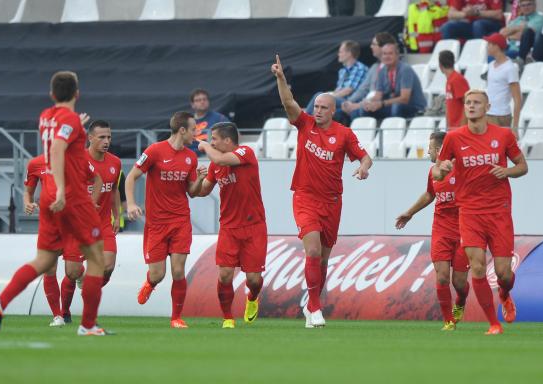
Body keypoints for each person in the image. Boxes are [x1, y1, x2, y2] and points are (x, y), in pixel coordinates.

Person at [0, 71, 108, 336]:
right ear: (78, 93)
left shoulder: (45, 116)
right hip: (71, 197)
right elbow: (57, 149)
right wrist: (64, 189)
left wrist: (76, 124)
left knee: (43, 260)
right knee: (97, 260)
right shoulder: (71, 120)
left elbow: (60, 136)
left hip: (48, 198)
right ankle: (88, 325)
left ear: (52, 95)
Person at [271, 54, 373, 328]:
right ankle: (315, 307)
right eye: (315, 106)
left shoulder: (344, 134)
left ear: (333, 111)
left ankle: (311, 301)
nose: (317, 110)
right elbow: (287, 102)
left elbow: (365, 157)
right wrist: (281, 78)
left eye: (323, 107)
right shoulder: (304, 124)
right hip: (305, 197)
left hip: (332, 202)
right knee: (313, 251)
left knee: (324, 258)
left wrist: (364, 168)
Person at [433, 89, 528, 335]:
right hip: (470, 212)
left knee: (503, 274)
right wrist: (441, 169)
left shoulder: (503, 135)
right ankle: (493, 324)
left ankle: (505, 295)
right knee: (476, 267)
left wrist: (506, 171)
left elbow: (522, 166)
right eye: (467, 102)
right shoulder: (454, 139)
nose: (471, 106)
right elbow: (437, 173)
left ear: (487, 107)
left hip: (499, 212)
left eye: (476, 102)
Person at [125, 111, 207, 329]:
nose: (195, 133)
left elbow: (192, 192)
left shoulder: (191, 157)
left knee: (178, 271)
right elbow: (131, 176)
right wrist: (131, 204)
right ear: (182, 130)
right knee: (158, 273)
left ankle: (176, 318)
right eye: (193, 129)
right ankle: (150, 282)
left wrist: (199, 179)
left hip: (180, 220)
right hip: (157, 223)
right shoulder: (155, 151)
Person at [396, 132, 470, 331]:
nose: (427, 151)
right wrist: (409, 213)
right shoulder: (432, 172)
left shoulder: (462, 169)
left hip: (465, 230)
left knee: (460, 282)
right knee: (443, 277)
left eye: (429, 147)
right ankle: (448, 322)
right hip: (441, 229)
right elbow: (430, 194)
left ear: (439, 150)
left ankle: (460, 303)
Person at [196, 122, 267, 329]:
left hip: (254, 227)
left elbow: (217, 156)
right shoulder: (215, 164)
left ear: (227, 140)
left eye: (214, 139)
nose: (211, 143)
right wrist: (198, 179)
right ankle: (227, 317)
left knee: (253, 279)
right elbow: (203, 192)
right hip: (228, 227)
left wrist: (204, 147)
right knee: (225, 275)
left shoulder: (246, 152)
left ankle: (252, 298)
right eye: (210, 140)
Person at [23, 153, 102, 327]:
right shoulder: (35, 163)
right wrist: (28, 203)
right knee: (49, 269)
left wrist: (91, 202)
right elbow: (28, 192)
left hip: (73, 225)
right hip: (50, 226)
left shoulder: (77, 159)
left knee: (72, 272)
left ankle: (80, 275)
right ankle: (57, 316)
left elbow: (97, 179)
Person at [57, 120, 123, 323]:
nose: (106, 141)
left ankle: (87, 292)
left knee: (108, 266)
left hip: (102, 224)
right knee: (72, 272)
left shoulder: (115, 162)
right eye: (102, 137)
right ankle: (65, 313)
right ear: (90, 138)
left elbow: (113, 190)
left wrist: (117, 215)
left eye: (109, 137)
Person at [354, 42, 427, 120]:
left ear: (397, 55)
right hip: (392, 105)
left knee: (396, 107)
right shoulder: (382, 71)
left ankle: (395, 131)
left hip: (414, 106)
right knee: (364, 109)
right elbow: (378, 95)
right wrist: (368, 103)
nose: (387, 56)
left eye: (390, 53)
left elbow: (404, 98)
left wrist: (382, 103)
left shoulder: (405, 69)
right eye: (384, 54)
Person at [306, 40, 368, 121]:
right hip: (340, 102)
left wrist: (329, 96)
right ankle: (309, 121)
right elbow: (338, 90)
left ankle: (305, 121)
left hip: (351, 102)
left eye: (340, 52)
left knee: (319, 96)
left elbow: (348, 90)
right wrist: (331, 94)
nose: (338, 54)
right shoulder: (342, 71)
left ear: (349, 53)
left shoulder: (359, 68)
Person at [341, 32, 397, 121]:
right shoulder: (375, 67)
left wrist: (358, 105)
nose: (371, 46)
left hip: (382, 104)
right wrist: (350, 102)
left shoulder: (393, 67)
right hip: (367, 101)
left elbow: (381, 95)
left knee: (357, 110)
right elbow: (363, 89)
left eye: (374, 44)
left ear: (382, 47)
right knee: (329, 105)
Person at [484, 33, 522, 136]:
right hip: (489, 113)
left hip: (501, 115)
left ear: (496, 46)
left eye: (489, 44)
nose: (487, 47)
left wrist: (515, 126)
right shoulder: (491, 65)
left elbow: (517, 98)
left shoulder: (510, 68)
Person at [189, 89, 229, 156]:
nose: (202, 102)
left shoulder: (219, 118)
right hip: (189, 156)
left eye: (204, 99)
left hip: (210, 156)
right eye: (198, 100)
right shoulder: (187, 121)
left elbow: (235, 134)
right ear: (192, 104)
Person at [440, 50, 470, 130]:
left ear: (440, 66)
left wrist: (462, 126)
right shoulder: (451, 79)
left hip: (459, 127)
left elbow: (467, 102)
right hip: (453, 127)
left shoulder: (457, 79)